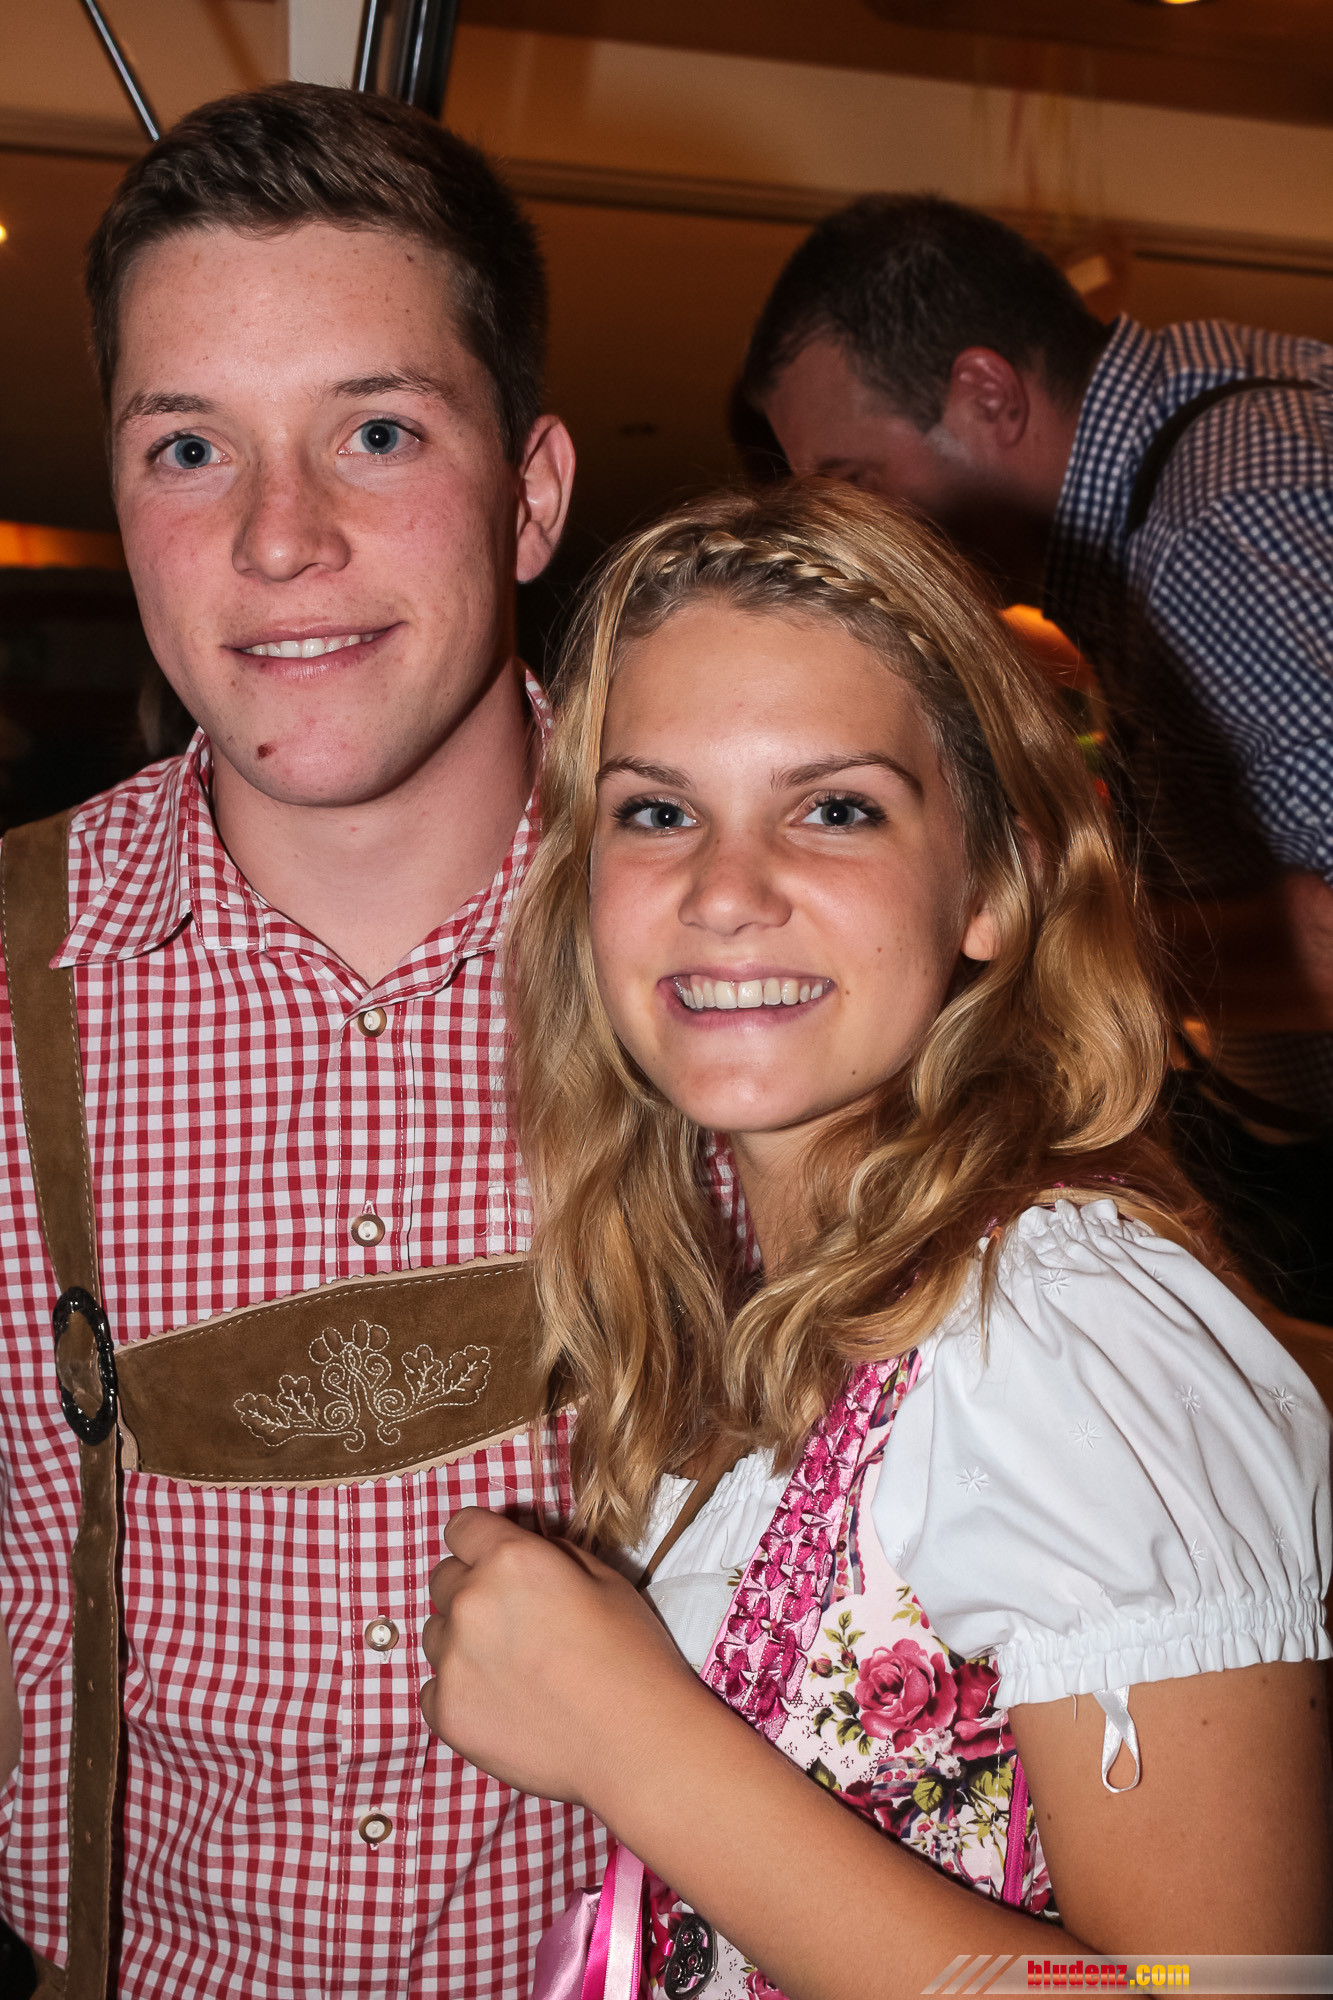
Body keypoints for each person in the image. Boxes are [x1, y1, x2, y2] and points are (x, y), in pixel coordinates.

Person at [419, 483, 1332, 1998]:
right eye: (657, 811)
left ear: (994, 884)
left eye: (834, 807)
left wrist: (631, 1741)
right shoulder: (787, 1297)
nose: (723, 891)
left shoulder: (1059, 1327)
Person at [0, 83, 601, 1998]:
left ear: (531, 494)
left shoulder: (753, 967)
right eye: (190, 447)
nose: (277, 538)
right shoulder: (9, 997)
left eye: (376, 430)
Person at [736, 195, 1333, 1326]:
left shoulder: (1216, 520)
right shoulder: (1213, 434)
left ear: (988, 395)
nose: (866, 541)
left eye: (856, 482)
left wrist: (1040, 953)